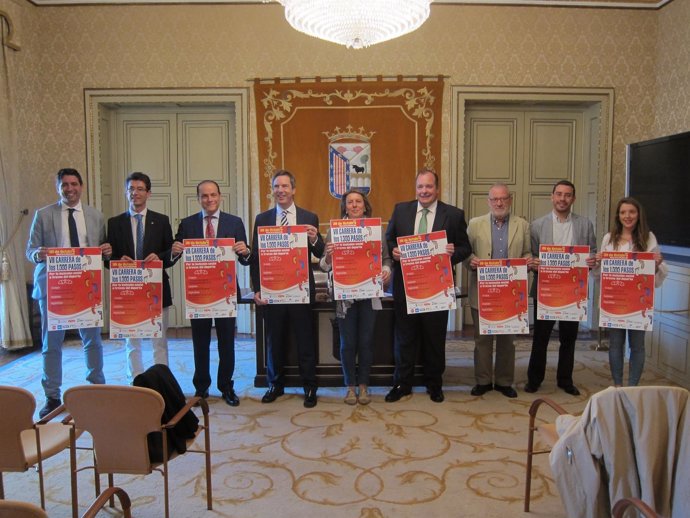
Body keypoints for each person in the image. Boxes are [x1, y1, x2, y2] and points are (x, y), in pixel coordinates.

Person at [26, 168, 112, 418]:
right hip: (55, 289)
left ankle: (97, 388)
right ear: (58, 187)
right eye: (64, 184)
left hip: (86, 289)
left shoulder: (95, 216)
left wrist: (106, 250)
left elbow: (101, 249)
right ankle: (52, 396)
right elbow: (29, 250)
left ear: (81, 187)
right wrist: (37, 254)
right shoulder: (43, 215)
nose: (69, 189)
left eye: (74, 184)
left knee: (93, 341)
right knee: (51, 344)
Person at [385, 169, 472, 403]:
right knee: (404, 337)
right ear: (416, 189)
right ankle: (402, 383)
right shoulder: (401, 210)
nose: (424, 191)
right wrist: (393, 252)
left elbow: (465, 248)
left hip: (437, 287)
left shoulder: (453, 215)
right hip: (407, 286)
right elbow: (389, 239)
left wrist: (452, 253)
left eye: (429, 187)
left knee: (434, 338)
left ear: (437, 188)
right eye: (420, 187)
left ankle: (434, 383)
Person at [171, 180, 251, 407]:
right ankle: (201, 387)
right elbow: (174, 255)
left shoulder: (234, 223)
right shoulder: (187, 224)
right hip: (199, 293)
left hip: (225, 292)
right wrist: (174, 250)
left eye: (213, 195)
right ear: (198, 199)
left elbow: (245, 259)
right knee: (200, 342)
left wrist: (245, 251)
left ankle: (226, 386)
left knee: (227, 342)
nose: (209, 199)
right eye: (204, 196)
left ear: (220, 196)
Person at [250, 169, 325, 408]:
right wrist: (256, 289)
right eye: (276, 186)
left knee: (305, 341)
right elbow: (255, 258)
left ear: (293, 189)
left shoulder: (308, 216)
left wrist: (314, 239)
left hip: (300, 292)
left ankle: (310, 387)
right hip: (273, 292)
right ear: (272, 190)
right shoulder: (262, 219)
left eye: (285, 186)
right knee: (275, 341)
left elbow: (320, 252)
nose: (280, 190)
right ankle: (275, 384)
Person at [320, 189, 392, 405]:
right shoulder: (334, 231)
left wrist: (387, 271)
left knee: (366, 342)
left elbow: (387, 259)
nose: (353, 205)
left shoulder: (376, 230)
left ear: (364, 205)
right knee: (347, 343)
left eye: (357, 201)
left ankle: (364, 386)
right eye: (349, 202)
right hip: (345, 297)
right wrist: (330, 257)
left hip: (369, 294)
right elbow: (324, 266)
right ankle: (350, 386)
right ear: (345, 206)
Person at [525, 180, 596, 396]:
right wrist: (534, 261)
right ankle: (534, 379)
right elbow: (530, 252)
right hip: (546, 289)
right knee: (541, 338)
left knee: (568, 337)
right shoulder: (537, 225)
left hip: (572, 292)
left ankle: (565, 379)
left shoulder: (585, 225)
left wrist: (591, 260)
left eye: (567, 195)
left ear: (573, 199)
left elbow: (592, 251)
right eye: (559, 194)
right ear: (552, 197)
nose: (562, 199)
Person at [464, 183, 532, 398]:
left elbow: (528, 252)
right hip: (483, 291)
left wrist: (529, 261)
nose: (499, 203)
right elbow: (466, 252)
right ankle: (483, 381)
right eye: (495, 199)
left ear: (510, 200)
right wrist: (470, 260)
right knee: (482, 340)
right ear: (489, 201)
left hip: (511, 292)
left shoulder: (522, 225)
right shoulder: (475, 225)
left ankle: (504, 381)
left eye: (503, 199)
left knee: (507, 340)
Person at [107, 172, 175, 382]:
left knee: (159, 340)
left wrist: (160, 257)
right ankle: (135, 381)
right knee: (132, 341)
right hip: (128, 290)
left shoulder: (161, 221)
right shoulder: (114, 223)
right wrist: (117, 259)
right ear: (126, 192)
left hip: (156, 290)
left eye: (139, 189)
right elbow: (107, 259)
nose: (135, 193)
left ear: (148, 193)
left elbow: (171, 254)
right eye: (131, 189)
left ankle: (162, 382)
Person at [596, 197, 667, 387]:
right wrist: (598, 261)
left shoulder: (649, 238)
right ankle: (618, 384)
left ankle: (633, 386)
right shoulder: (608, 238)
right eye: (623, 212)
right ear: (618, 216)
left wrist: (657, 264)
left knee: (637, 346)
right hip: (615, 302)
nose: (627, 216)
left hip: (638, 303)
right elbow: (600, 273)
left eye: (631, 212)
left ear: (638, 215)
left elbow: (655, 274)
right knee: (616, 344)